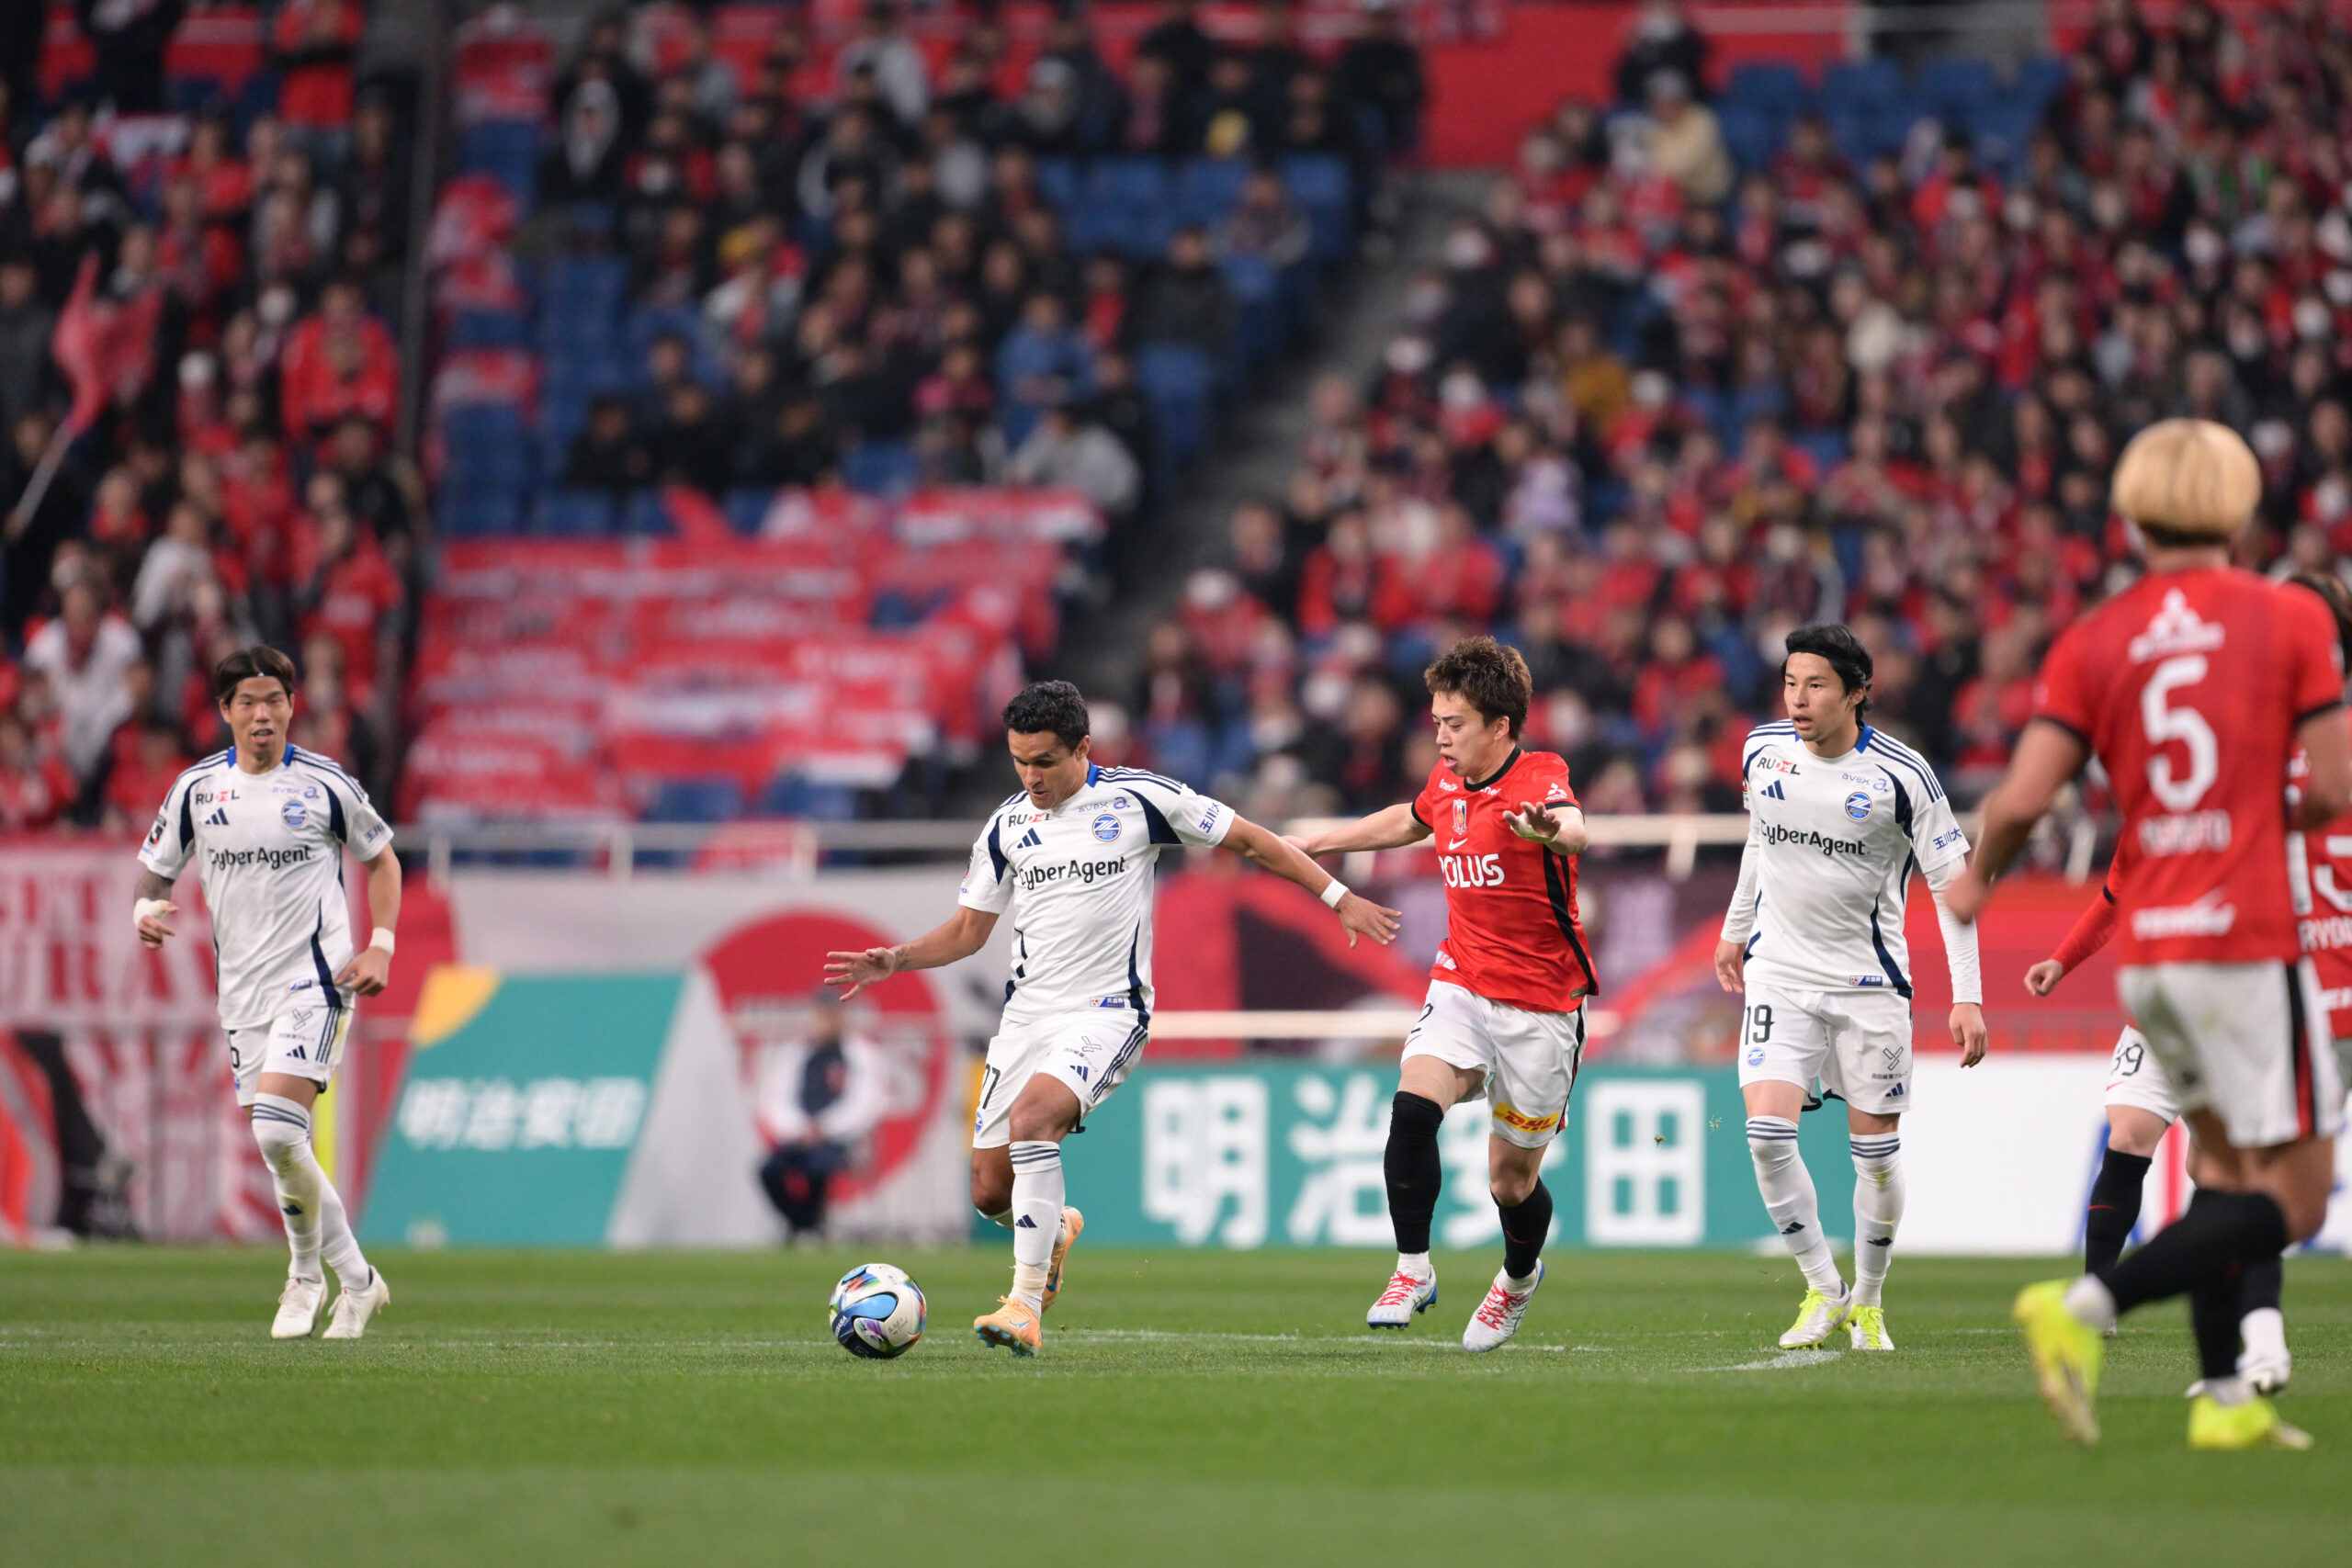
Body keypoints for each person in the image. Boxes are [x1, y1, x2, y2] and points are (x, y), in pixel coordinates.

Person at [1949, 420, 2352, 1450]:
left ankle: (2223, 1398)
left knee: (2222, 1176)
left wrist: (1974, 885)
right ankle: (2085, 1306)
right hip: (2248, 947)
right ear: (2239, 507)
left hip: (2157, 956)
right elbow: (2332, 787)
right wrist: (2260, 815)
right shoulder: (2288, 618)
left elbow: (2022, 798)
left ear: (2129, 517)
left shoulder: (2097, 637)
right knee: (2296, 1199)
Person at [824, 680, 1399, 1357]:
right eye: (1019, 761)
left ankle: (1023, 1304)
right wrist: (897, 958)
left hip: (1108, 1011)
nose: (1031, 777)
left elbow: (1252, 841)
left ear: (1083, 749)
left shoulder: (1140, 800)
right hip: (1027, 1017)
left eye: (1044, 761)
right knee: (988, 1189)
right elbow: (968, 932)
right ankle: (1054, 1229)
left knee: (1033, 1120)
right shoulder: (1006, 827)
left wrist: (1338, 897)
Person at [1286, 637, 1598, 1350]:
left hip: (1542, 1005)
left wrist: (1552, 831)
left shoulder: (1541, 776)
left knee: (1510, 1183)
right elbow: (1410, 817)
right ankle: (1412, 1268)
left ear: (1500, 725)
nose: (1440, 736)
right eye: (1436, 722)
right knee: (1411, 1108)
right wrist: (1319, 844)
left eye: (1454, 723)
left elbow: (1573, 829)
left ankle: (1518, 1277)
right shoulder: (1447, 781)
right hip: (1461, 981)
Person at [1713, 624, 1987, 1353]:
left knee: (1876, 1157)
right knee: (1766, 1135)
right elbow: (1760, 838)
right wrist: (1736, 928)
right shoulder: (1762, 750)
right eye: (1790, 683)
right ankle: (1822, 1287)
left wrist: (1967, 994)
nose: (1798, 700)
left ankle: (1868, 1297)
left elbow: (1953, 887)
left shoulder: (1903, 776)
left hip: (1870, 985)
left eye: (1816, 685)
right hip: (1780, 972)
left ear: (1857, 692)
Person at [133, 645, 400, 1340]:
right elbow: (156, 871)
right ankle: (352, 1280)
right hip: (242, 994)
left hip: (317, 980)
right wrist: (145, 909)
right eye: (247, 702)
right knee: (282, 1146)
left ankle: (314, 1278)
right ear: (225, 710)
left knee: (278, 1130)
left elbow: (382, 860)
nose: (262, 714)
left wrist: (381, 943)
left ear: (291, 706)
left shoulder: (325, 783)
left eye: (274, 700)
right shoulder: (197, 790)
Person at [754, 992, 887, 1242]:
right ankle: (804, 1224)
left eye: (832, 1014)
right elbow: (778, 1098)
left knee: (818, 1165)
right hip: (799, 1136)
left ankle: (809, 1227)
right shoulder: (797, 1053)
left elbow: (865, 1103)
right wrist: (800, 1129)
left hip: (839, 1139)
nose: (826, 1021)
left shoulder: (859, 1053)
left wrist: (825, 1128)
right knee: (768, 1172)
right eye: (822, 1014)